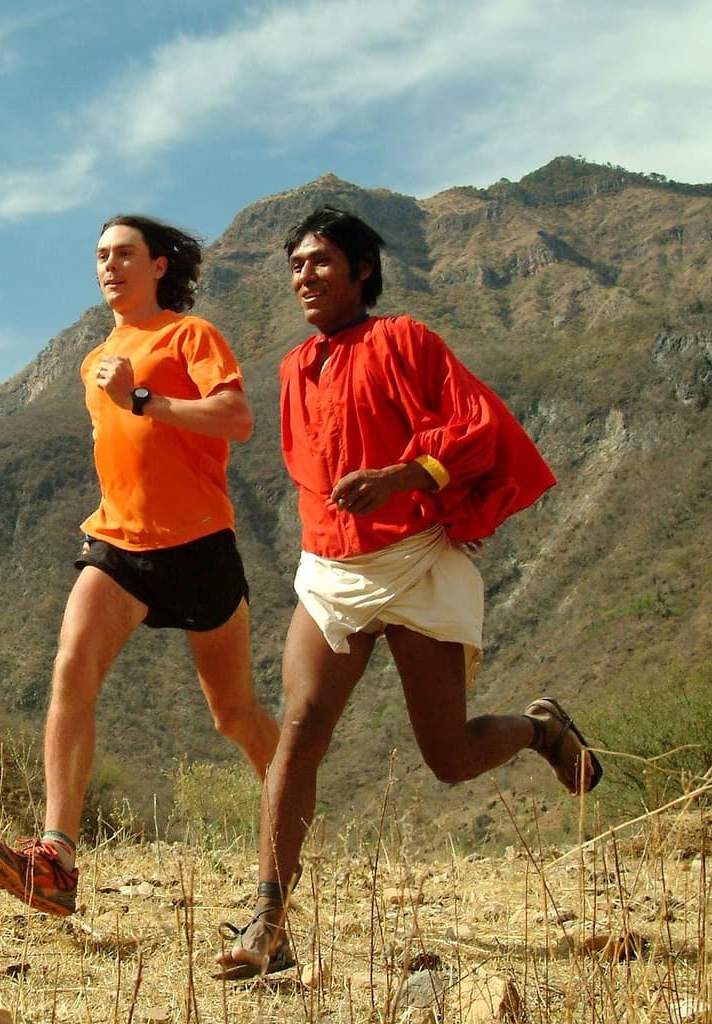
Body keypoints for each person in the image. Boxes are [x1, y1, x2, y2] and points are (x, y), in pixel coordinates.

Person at [214, 205, 603, 980]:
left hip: (417, 562)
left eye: (320, 261)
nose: (304, 276)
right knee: (300, 731)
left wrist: (402, 477)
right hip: (334, 574)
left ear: (362, 269)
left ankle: (540, 730)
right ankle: (268, 921)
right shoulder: (294, 369)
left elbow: (478, 429)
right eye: (295, 266)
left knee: (450, 758)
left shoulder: (405, 340)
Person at [0, 214, 280, 916]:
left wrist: (143, 398)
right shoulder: (95, 359)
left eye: (123, 254)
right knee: (72, 669)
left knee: (233, 714)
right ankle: (55, 859)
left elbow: (236, 419)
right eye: (100, 256)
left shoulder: (190, 336)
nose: (109, 266)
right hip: (117, 542)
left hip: (199, 545)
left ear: (158, 266)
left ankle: (290, 800)